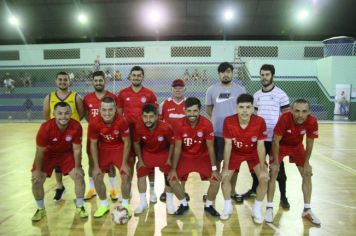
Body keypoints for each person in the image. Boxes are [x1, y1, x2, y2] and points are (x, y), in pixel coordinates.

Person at [241, 64, 291, 209]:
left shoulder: (281, 95)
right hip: (261, 140)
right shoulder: (256, 96)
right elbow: (254, 117)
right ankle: (254, 190)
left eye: (267, 75)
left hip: (275, 139)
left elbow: (287, 118)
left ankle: (283, 196)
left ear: (273, 76)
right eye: (262, 75)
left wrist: (282, 136)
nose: (264, 77)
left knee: (278, 169)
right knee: (257, 168)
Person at [266, 99, 321, 225]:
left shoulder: (312, 121)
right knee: (273, 173)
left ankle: (307, 210)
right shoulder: (284, 118)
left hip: (296, 146)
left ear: (309, 112)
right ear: (291, 110)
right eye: (297, 111)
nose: (300, 115)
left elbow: (309, 142)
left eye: (304, 111)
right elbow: (275, 141)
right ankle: (269, 207)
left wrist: (306, 163)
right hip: (280, 145)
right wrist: (275, 163)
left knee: (307, 174)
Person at [31, 102, 87, 222]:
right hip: (47, 155)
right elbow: (40, 151)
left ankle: (80, 206)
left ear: (71, 113)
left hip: (66, 154)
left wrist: (78, 167)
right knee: (36, 180)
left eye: (67, 113)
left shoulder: (76, 126)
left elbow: (77, 149)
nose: (63, 116)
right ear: (54, 114)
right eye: (60, 113)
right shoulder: (45, 128)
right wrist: (38, 171)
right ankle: (40, 209)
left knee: (79, 177)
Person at [168, 97, 221, 217]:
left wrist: (214, 169)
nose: (192, 114)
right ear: (184, 110)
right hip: (185, 157)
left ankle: (208, 205)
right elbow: (177, 148)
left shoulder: (207, 124)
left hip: (202, 157)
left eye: (195, 111)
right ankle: (183, 204)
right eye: (189, 111)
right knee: (172, 179)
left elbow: (211, 147)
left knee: (216, 181)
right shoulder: (178, 124)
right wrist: (174, 168)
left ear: (199, 110)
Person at [220, 94, 269, 223]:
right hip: (235, 152)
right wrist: (225, 168)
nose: (245, 110)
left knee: (264, 179)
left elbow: (260, 146)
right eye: (241, 107)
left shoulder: (260, 122)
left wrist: (263, 169)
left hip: (253, 153)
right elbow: (228, 145)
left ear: (253, 108)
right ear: (236, 108)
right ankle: (227, 207)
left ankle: (257, 209)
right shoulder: (228, 121)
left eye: (248, 107)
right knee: (225, 178)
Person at [205, 62, 246, 203]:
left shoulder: (241, 90)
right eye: (222, 72)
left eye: (228, 71)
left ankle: (232, 191)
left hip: (235, 134)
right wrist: (217, 121)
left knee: (234, 165)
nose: (225, 74)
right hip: (217, 133)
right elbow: (209, 109)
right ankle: (212, 192)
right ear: (219, 74)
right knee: (215, 163)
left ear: (232, 73)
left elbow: (244, 110)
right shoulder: (211, 90)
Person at [117, 66, 158, 203]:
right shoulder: (122, 94)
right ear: (130, 76)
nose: (136, 77)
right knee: (129, 164)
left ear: (142, 77)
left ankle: (152, 191)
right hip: (128, 136)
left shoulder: (150, 94)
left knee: (148, 163)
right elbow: (118, 114)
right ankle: (127, 196)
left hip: (144, 136)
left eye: (139, 75)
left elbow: (155, 115)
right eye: (133, 75)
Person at [133, 104, 184, 215]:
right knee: (140, 170)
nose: (148, 120)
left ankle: (169, 202)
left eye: (151, 116)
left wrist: (169, 159)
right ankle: (142, 202)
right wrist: (140, 160)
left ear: (157, 116)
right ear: (141, 116)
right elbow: (136, 143)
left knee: (168, 172)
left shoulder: (166, 127)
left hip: (163, 152)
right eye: (145, 116)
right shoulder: (138, 127)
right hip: (148, 153)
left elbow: (172, 144)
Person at [43, 71, 85, 202]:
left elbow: (81, 114)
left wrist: (71, 127)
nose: (62, 82)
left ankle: (78, 193)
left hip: (72, 136)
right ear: (56, 81)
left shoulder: (76, 97)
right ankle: (60, 187)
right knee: (57, 162)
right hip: (56, 135)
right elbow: (47, 116)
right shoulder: (49, 97)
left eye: (65, 80)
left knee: (75, 162)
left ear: (69, 81)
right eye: (60, 80)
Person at [89, 96, 131, 218]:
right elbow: (93, 144)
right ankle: (104, 205)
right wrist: (96, 166)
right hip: (104, 149)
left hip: (119, 148)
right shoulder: (94, 123)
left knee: (125, 175)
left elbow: (127, 142)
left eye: (110, 110)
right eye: (104, 110)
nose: (107, 113)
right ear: (100, 110)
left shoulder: (122, 121)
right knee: (96, 176)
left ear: (115, 110)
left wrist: (124, 163)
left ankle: (126, 204)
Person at [83, 71, 118, 201]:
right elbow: (86, 115)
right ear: (93, 82)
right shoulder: (87, 98)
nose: (98, 83)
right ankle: (92, 189)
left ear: (105, 81)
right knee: (92, 162)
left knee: (111, 163)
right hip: (93, 136)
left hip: (109, 137)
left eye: (100, 80)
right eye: (96, 80)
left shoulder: (113, 97)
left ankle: (113, 189)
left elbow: (117, 115)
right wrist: (95, 125)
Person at [159, 79, 190, 202]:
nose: (178, 90)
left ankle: (182, 190)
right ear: (171, 89)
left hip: (184, 142)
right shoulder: (164, 104)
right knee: (167, 166)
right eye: (175, 87)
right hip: (169, 144)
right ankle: (166, 190)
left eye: (180, 87)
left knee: (184, 167)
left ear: (184, 89)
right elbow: (160, 123)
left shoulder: (189, 104)